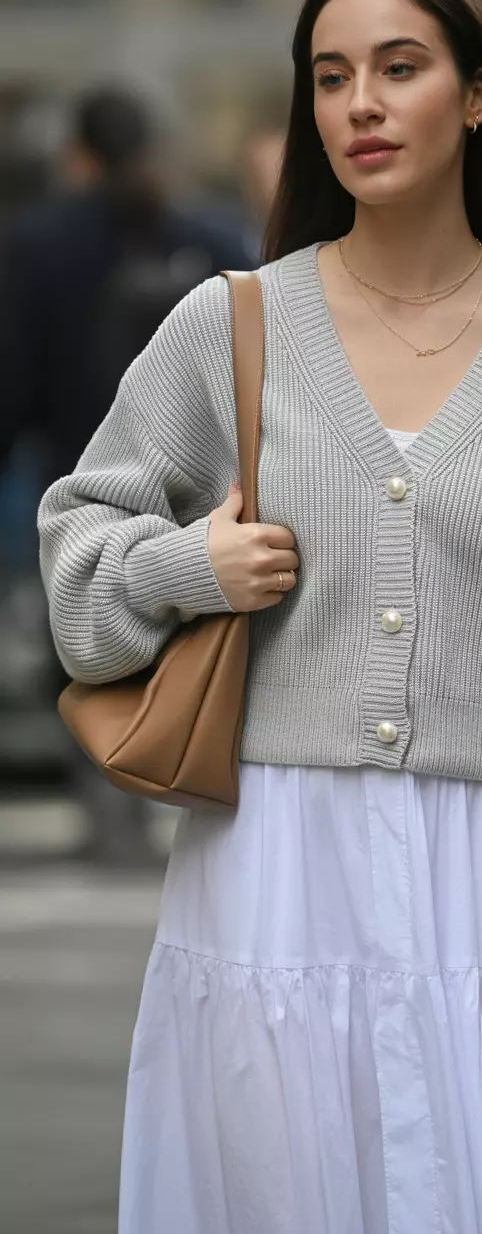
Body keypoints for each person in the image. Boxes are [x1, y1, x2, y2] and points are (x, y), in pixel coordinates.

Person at [38, 0, 482, 1234]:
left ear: (475, 96)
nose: (359, 103)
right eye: (330, 76)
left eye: (399, 69)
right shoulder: (233, 323)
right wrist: (192, 567)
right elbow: (79, 561)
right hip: (270, 871)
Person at [3, 85, 254, 866]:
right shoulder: (210, 241)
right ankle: (178, 794)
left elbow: (13, 382)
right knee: (194, 644)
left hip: (82, 478)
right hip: (207, 495)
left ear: (79, 157)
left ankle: (110, 798)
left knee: (88, 639)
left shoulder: (37, 242)